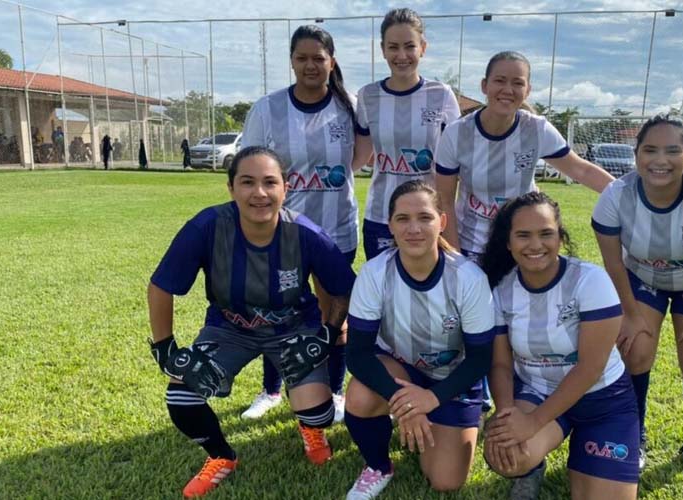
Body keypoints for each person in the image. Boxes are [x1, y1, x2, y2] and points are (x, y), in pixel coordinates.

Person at [147, 146, 355, 497]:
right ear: (231, 188)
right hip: (229, 329)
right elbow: (160, 287)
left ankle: (311, 428)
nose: (259, 193)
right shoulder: (206, 227)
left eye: (269, 182)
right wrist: (166, 348)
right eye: (247, 182)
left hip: (293, 329)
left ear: (285, 189)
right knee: (181, 396)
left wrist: (327, 333)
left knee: (319, 412)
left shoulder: (306, 234)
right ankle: (221, 457)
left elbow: (345, 291)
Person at [591, 115, 683, 482]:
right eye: (650, 150)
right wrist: (629, 313)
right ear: (636, 155)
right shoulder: (616, 196)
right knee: (636, 351)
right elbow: (613, 262)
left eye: (673, 150)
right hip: (642, 279)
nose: (661, 159)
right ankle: (635, 438)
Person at [343, 180, 495, 499]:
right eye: (403, 219)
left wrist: (433, 399)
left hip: (453, 379)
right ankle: (378, 466)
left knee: (444, 480)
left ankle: (466, 414)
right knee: (359, 395)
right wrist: (407, 405)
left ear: (442, 222)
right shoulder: (374, 274)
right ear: (390, 226)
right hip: (402, 370)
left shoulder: (468, 278)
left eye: (425, 217)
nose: (414, 228)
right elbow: (357, 355)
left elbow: (481, 358)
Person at [481, 192, 638, 500]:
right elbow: (499, 364)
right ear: (508, 242)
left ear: (561, 238)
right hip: (538, 392)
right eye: (523, 235)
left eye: (546, 234)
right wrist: (508, 415)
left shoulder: (591, 281)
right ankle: (532, 467)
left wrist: (532, 424)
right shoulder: (501, 291)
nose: (535, 245)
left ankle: (587, 453)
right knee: (506, 453)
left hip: (602, 400)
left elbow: (590, 368)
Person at [241, 25, 361, 421]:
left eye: (318, 58)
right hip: (282, 234)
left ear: (332, 61)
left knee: (335, 313)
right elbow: (250, 167)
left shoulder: (351, 106)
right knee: (278, 314)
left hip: (336, 231)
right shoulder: (269, 108)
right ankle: (271, 390)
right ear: (291, 61)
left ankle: (336, 391)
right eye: (301, 58)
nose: (310, 65)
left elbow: (363, 155)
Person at [435, 51, 613, 260]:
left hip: (524, 248)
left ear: (527, 90)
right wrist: (457, 259)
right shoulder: (457, 134)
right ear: (485, 85)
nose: (508, 90)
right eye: (500, 80)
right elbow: (444, 200)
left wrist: (627, 196)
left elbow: (582, 170)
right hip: (471, 246)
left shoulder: (537, 129)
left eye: (518, 83)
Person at [352, 7, 461, 261]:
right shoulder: (368, 96)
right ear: (383, 50)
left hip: (429, 215)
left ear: (422, 47)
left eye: (409, 46)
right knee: (385, 289)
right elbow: (360, 156)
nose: (401, 55)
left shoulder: (441, 95)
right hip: (381, 215)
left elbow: (458, 159)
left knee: (430, 289)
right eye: (393, 47)